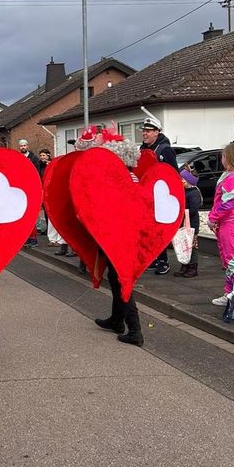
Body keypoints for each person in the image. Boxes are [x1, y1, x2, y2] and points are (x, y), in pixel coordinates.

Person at [89, 131, 146, 346]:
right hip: (125, 235)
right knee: (115, 278)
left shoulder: (118, 180)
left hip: (119, 236)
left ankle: (135, 330)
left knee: (122, 280)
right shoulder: (132, 176)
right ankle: (116, 320)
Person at [208, 143, 234, 320]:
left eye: (223, 156)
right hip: (232, 221)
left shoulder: (233, 177)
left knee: (233, 261)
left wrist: (212, 218)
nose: (221, 159)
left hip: (231, 222)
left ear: (228, 157)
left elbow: (226, 203)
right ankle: (231, 293)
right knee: (230, 259)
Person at [139, 115, 178, 275]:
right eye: (144, 131)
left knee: (160, 230)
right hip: (147, 196)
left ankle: (163, 261)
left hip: (161, 196)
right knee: (149, 230)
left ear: (157, 132)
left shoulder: (165, 150)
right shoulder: (143, 149)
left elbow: (173, 174)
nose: (145, 134)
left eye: (148, 131)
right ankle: (154, 258)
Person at [174, 166, 201, 278]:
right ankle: (184, 265)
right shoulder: (184, 191)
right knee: (183, 244)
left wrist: (182, 212)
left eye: (183, 179)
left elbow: (193, 209)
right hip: (183, 222)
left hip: (191, 224)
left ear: (189, 181)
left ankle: (193, 267)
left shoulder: (193, 193)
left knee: (192, 246)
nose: (180, 181)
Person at [18, 139, 40, 247]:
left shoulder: (34, 158)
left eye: (24, 145)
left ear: (28, 146)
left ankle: (33, 238)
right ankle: (27, 237)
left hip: (31, 188)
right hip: (20, 189)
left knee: (31, 214)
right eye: (21, 146)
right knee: (23, 215)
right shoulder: (18, 158)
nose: (23, 147)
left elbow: (37, 173)